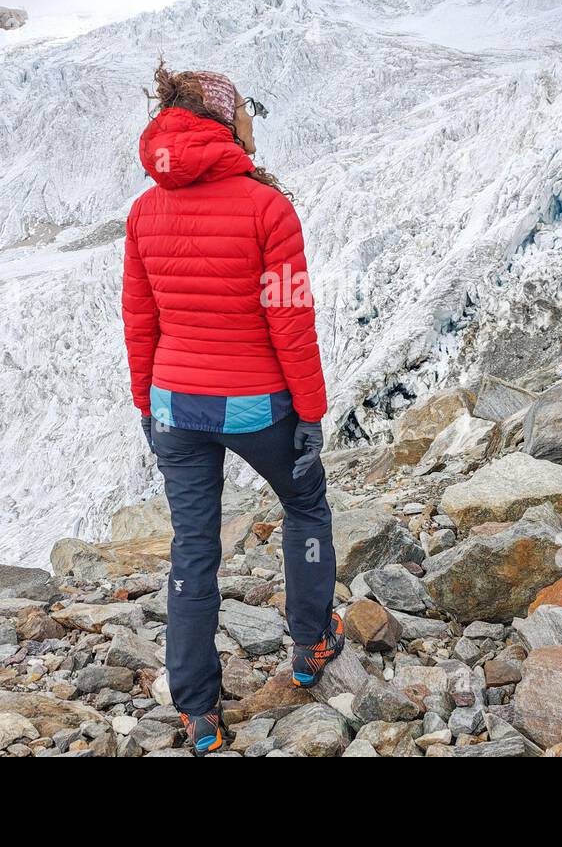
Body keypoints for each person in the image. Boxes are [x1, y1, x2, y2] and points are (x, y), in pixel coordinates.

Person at [121, 61, 343, 755]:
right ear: (225, 121)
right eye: (245, 111)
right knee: (305, 507)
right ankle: (310, 642)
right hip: (255, 405)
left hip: (175, 406)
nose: (251, 122)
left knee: (194, 548)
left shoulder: (144, 210)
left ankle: (197, 713)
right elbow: (290, 320)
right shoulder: (266, 208)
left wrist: (145, 409)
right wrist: (309, 414)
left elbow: (140, 319)